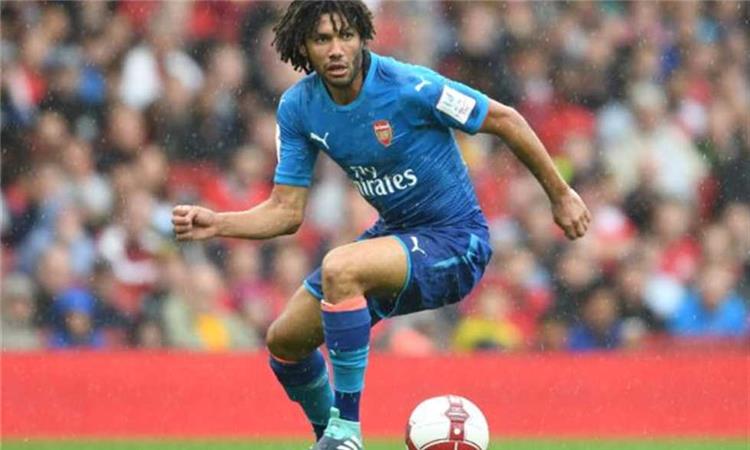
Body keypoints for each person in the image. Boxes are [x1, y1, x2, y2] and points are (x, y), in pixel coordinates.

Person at [171, 1, 590, 449]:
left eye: (345, 36)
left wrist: (561, 194)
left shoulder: (410, 87)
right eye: (322, 39)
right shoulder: (298, 107)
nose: (336, 49)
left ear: (362, 37)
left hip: (455, 242)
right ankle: (331, 439)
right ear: (303, 47)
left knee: (341, 267)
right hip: (396, 236)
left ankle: (346, 429)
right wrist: (218, 223)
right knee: (285, 342)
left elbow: (505, 119)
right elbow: (285, 212)